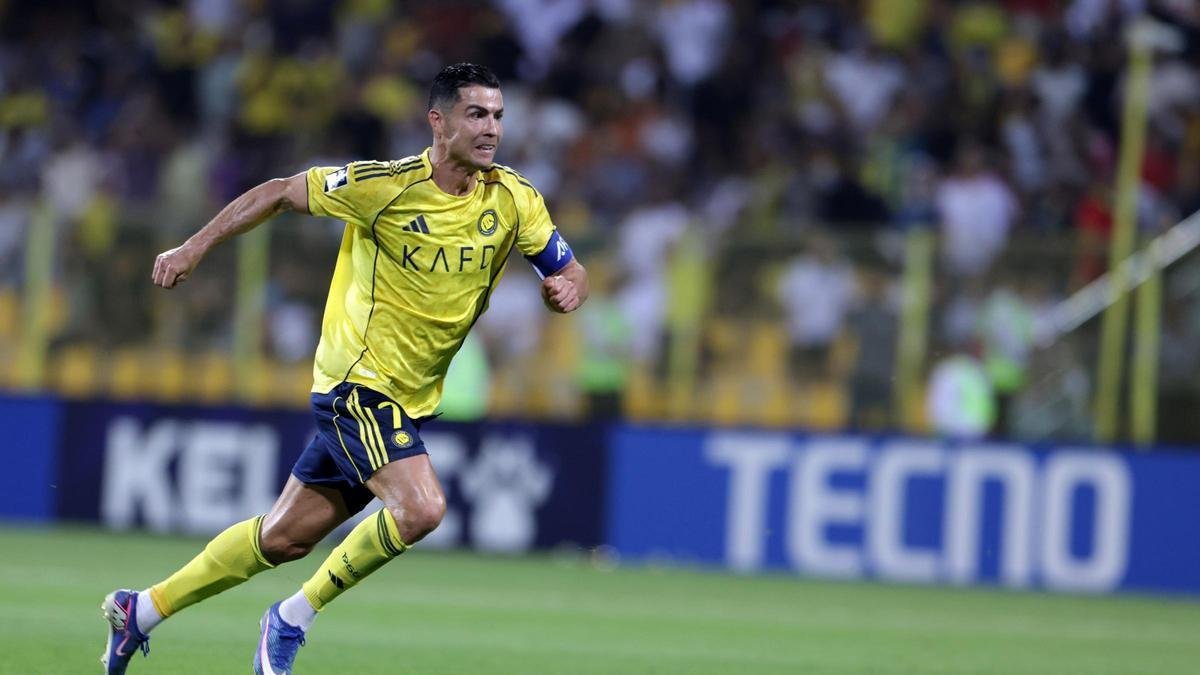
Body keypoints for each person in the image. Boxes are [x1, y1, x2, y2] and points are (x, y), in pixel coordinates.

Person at [100, 63, 588, 675]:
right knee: (422, 509)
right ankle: (291, 617)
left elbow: (569, 269)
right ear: (438, 121)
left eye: (497, 115)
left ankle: (141, 610)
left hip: (408, 399)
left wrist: (568, 290)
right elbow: (280, 191)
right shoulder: (385, 186)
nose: (491, 128)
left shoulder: (514, 199)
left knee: (282, 538)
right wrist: (193, 247)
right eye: (476, 114)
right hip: (357, 384)